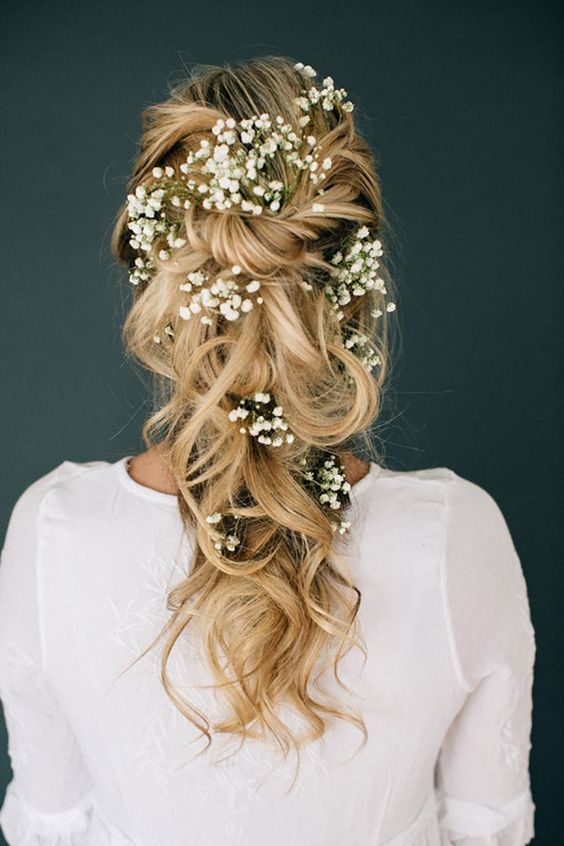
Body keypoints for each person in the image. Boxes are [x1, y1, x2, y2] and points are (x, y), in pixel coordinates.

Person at [0, 56, 536, 846]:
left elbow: (51, 827)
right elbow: (486, 831)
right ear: (351, 284)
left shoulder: (52, 534)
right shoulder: (457, 536)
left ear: (161, 277)